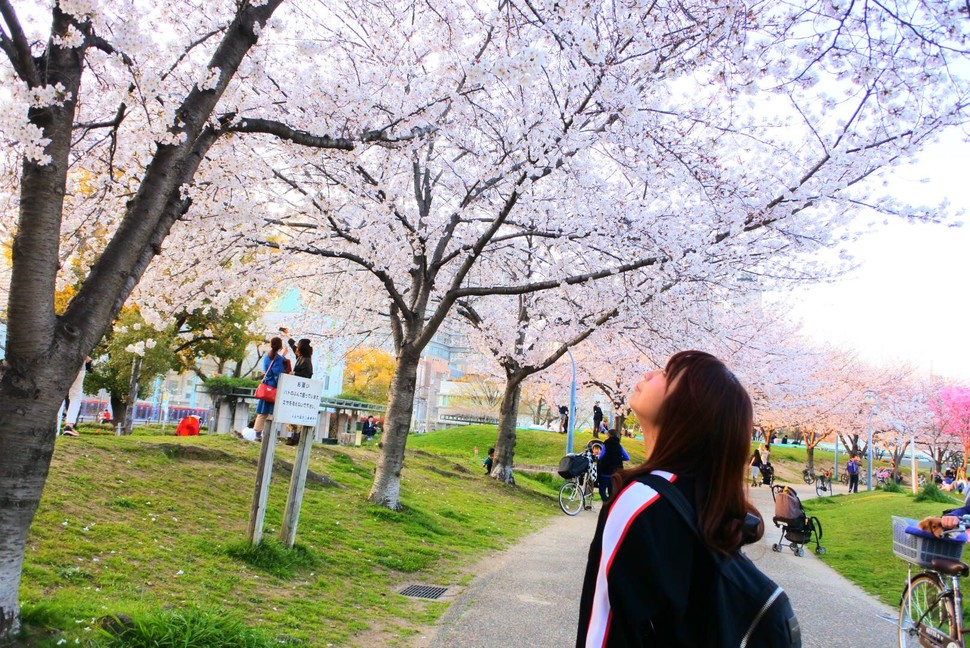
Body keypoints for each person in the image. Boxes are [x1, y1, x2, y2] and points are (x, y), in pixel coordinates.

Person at [577, 351, 764, 646]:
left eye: (667, 374)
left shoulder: (640, 500)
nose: (650, 374)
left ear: (689, 408)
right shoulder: (706, 503)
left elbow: (602, 628)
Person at [253, 337, 286, 442]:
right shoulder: (279, 359)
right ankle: (270, 437)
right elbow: (278, 374)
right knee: (273, 413)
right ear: (280, 346)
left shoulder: (267, 356)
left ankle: (258, 434)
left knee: (262, 412)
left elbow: (268, 369)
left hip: (266, 386)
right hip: (274, 388)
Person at [595, 428, 626, 503]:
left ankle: (607, 503)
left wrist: (597, 457)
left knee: (602, 490)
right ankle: (610, 504)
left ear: (608, 435)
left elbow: (601, 456)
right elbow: (627, 457)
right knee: (611, 490)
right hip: (615, 472)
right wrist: (618, 458)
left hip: (605, 470)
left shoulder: (606, 444)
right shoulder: (619, 446)